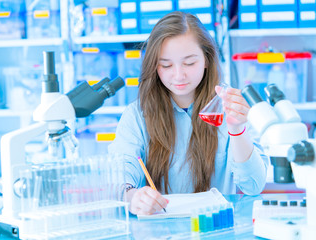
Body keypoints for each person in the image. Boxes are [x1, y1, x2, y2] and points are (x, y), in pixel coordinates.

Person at [108, 11, 269, 215]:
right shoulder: (138, 115)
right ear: (154, 66)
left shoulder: (230, 107)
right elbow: (120, 174)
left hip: (215, 229)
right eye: (166, 65)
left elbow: (253, 186)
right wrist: (132, 197)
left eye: (189, 63)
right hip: (160, 231)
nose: (178, 75)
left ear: (207, 59)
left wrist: (237, 129)